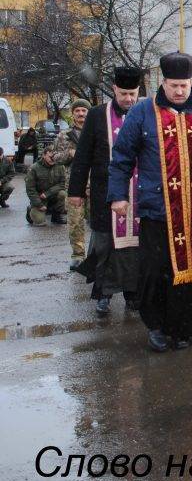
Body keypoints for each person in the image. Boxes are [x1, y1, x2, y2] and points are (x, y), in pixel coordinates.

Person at [108, 52, 192, 352]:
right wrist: (118, 195)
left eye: (184, 85)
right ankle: (158, 326)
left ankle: (184, 326)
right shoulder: (142, 113)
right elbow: (121, 157)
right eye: (174, 85)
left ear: (191, 82)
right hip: (157, 211)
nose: (179, 91)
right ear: (163, 82)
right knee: (157, 272)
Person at [68, 68, 144, 315]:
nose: (129, 99)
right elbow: (83, 156)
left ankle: (133, 294)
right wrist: (76, 191)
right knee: (104, 247)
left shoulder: (145, 113)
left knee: (135, 248)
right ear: (114, 90)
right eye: (124, 94)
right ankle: (103, 294)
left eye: (133, 94)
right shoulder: (97, 115)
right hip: (104, 194)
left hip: (138, 194)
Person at [53, 98, 92, 268]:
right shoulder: (64, 135)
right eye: (78, 111)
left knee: (98, 222)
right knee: (76, 222)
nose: (81, 114)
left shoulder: (95, 131)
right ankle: (78, 255)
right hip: (74, 184)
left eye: (84, 111)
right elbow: (54, 157)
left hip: (96, 183)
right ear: (73, 113)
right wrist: (70, 153)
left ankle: (97, 255)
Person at [25, 146, 66, 225]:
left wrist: (48, 193)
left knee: (62, 194)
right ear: (43, 155)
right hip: (39, 198)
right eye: (51, 157)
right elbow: (30, 189)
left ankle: (56, 216)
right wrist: (38, 204)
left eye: (55, 156)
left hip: (52, 195)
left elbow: (62, 184)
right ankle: (30, 210)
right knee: (40, 222)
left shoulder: (60, 166)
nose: (53, 159)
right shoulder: (34, 168)